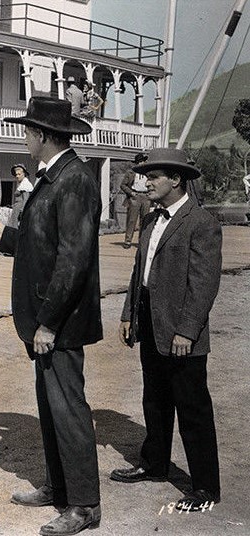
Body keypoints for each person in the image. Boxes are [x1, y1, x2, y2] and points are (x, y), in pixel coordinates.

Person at [4, 97, 101, 536]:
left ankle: (83, 506)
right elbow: (41, 245)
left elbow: (73, 259)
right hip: (44, 319)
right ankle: (57, 487)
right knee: (50, 406)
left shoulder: (74, 179)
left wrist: (48, 321)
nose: (24, 137)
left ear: (42, 136)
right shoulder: (52, 178)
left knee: (68, 409)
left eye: (27, 131)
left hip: (58, 322)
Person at [111, 148, 223, 512]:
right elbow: (138, 274)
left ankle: (205, 487)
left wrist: (187, 331)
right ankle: (154, 464)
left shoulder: (201, 222)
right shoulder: (149, 220)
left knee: (192, 410)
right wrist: (130, 314)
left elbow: (203, 284)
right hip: (150, 324)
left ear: (176, 179)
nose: (145, 183)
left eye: (153, 177)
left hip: (181, 334)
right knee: (155, 401)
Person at [120, 152, 152, 248]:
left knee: (145, 220)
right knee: (131, 220)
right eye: (139, 162)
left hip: (146, 196)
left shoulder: (149, 173)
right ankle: (128, 241)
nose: (141, 163)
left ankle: (142, 241)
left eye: (142, 161)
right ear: (136, 163)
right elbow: (123, 185)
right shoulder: (131, 173)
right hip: (135, 196)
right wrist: (131, 193)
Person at [7, 164, 33, 229]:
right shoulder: (21, 184)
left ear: (24, 174)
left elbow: (26, 199)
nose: (17, 176)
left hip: (20, 209)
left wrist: (22, 211)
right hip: (16, 208)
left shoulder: (26, 184)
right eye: (16, 174)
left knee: (16, 227)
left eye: (19, 174)